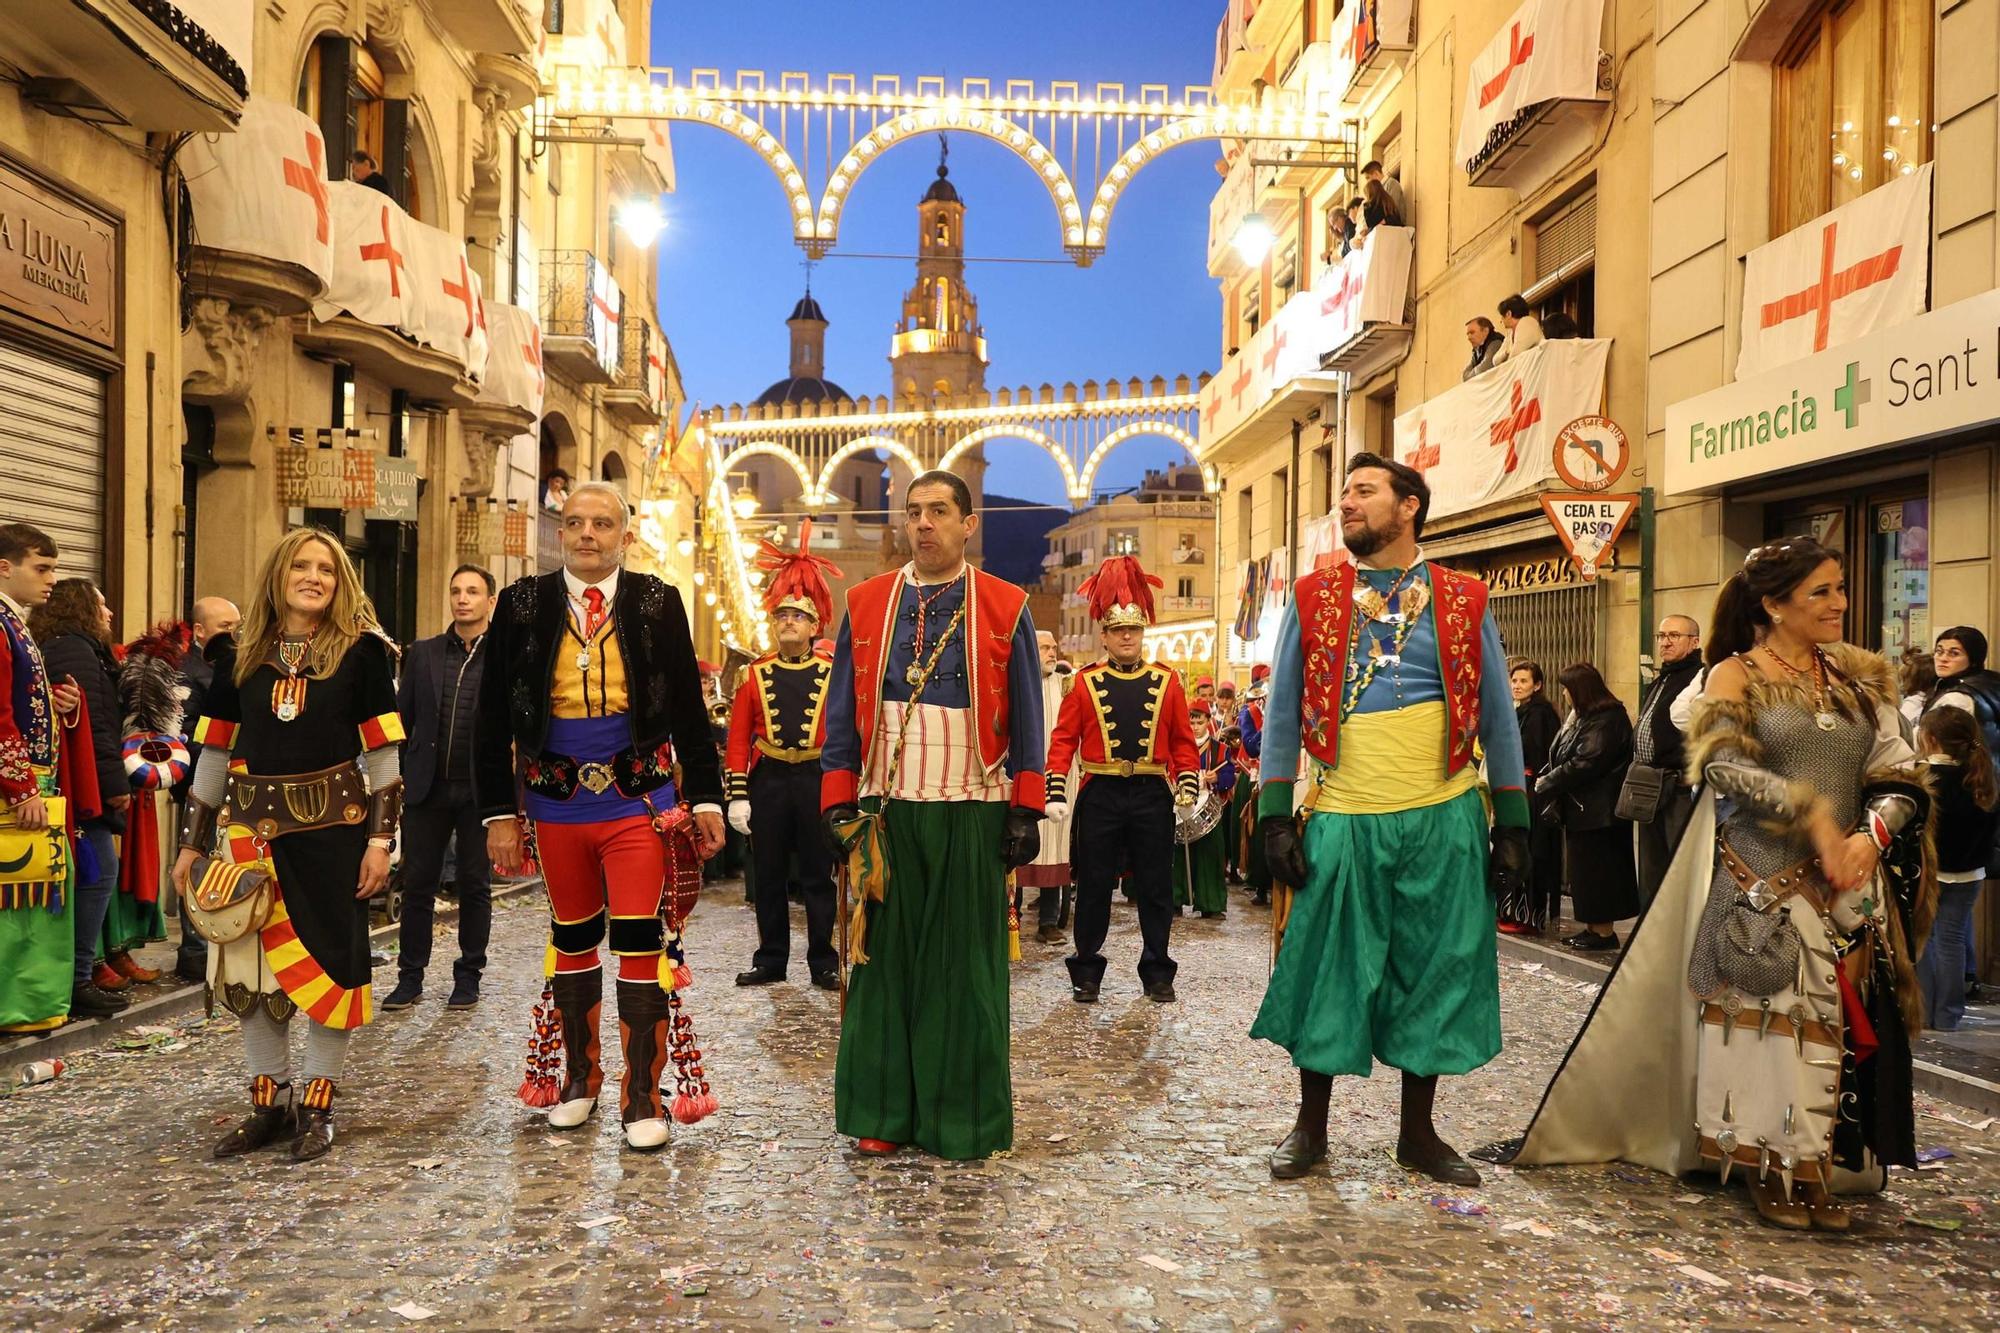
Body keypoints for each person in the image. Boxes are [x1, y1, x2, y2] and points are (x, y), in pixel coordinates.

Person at [1503, 537, 1931, 1233]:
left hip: (1851, 887)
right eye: (1822, 591)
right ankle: (1769, 1165)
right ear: (1774, 603)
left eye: (1841, 589)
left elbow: (1901, 772)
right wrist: (1811, 814)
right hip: (1761, 878)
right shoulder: (1732, 674)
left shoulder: (1863, 678)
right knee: (1769, 1031)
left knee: (1837, 1030)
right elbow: (1724, 766)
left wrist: (1867, 837)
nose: (1841, 603)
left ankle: (1823, 1163)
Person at [1253, 454, 1529, 1185]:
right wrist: (1276, 815)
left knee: (1435, 969)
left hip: (1443, 814)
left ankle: (1419, 1133)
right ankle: (1310, 1128)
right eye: (1344, 490)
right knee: (1328, 966)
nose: (1346, 502)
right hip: (1345, 810)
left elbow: (1499, 715)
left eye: (1363, 491)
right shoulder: (1314, 597)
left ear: (1409, 506)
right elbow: (1282, 712)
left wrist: (1515, 821)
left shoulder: (1466, 598)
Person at [477, 482, 725, 1152]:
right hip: (555, 804)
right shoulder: (521, 604)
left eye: (603, 524)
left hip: (638, 802)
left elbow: (688, 716)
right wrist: (500, 813)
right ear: (561, 530)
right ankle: (579, 1081)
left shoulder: (656, 601)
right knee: (572, 939)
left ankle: (642, 1095)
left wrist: (705, 797)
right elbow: (491, 714)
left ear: (625, 534)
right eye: (577, 522)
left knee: (642, 943)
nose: (588, 534)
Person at [821, 470, 1046, 1160]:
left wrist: (1026, 807)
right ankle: (883, 1113)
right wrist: (836, 802)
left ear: (967, 524)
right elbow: (840, 713)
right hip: (886, 807)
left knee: (963, 971)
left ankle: (963, 1121)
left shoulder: (1007, 605)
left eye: (939, 511)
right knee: (882, 963)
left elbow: (1030, 712)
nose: (924, 523)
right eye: (914, 511)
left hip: (971, 808)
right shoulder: (864, 602)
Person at [171, 528, 405, 1161]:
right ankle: (267, 1107)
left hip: (335, 837)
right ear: (278, 574)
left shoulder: (363, 654)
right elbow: (213, 755)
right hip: (249, 838)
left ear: (340, 582)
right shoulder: (239, 656)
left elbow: (384, 760)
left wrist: (381, 842)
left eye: (325, 569)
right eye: (301, 566)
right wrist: (191, 845)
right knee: (255, 977)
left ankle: (318, 1108)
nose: (313, 577)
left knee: (333, 968)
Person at [1043, 555, 1198, 1003]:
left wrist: (1186, 782)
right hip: (1102, 794)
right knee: (1093, 886)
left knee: (1155, 887)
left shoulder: (1167, 681)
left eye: (1134, 629)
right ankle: (1087, 970)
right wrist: (1055, 790)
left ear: (1142, 632)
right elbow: (1062, 742)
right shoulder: (1084, 684)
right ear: (1105, 636)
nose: (1127, 636)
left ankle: (1157, 971)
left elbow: (1183, 742)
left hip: (1150, 793)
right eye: (1118, 630)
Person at [727, 524, 841, 991]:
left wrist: (843, 790)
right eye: (781, 617)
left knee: (819, 877)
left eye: (797, 617)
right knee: (768, 877)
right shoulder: (753, 676)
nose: (788, 622)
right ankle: (771, 959)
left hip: (816, 778)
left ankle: (823, 962)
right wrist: (737, 795)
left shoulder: (834, 675)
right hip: (769, 779)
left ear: (815, 627)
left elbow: (844, 739)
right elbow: (737, 740)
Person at [382, 565, 498, 1013]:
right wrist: (397, 777)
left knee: (474, 883)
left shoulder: (503, 657)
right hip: (426, 787)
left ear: (490, 601)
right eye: (455, 591)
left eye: (472, 592)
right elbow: (401, 721)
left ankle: (468, 976)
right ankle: (409, 978)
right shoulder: (423, 653)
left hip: (479, 791)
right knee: (418, 884)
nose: (462, 599)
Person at [32, 580, 146, 1004]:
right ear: (81, 608)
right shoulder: (76, 650)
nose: (109, 613)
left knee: (95, 877)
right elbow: (95, 722)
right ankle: (77, 979)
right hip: (83, 792)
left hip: (83, 787)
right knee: (97, 877)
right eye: (101, 604)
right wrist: (115, 785)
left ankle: (79, 974)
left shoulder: (71, 647)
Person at [0, 523, 91, 1032]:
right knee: (22, 896)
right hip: (17, 787)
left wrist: (56, 708)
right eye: (43, 568)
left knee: (31, 895)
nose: (52, 579)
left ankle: (28, 1001)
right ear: (4, 567)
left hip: (26, 780)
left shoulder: (15, 624)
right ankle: (20, 1004)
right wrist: (22, 788)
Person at [1537, 663, 1638, 952]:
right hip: (1583, 810)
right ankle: (1594, 928)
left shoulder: (1607, 718)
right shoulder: (1583, 717)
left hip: (1599, 813)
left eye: (1568, 689)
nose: (1565, 695)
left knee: (1599, 872)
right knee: (1586, 874)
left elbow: (1587, 761)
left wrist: (1547, 782)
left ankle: (1604, 932)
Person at [172, 597, 240, 983]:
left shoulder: (237, 662)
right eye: (225, 627)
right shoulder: (188, 673)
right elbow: (187, 734)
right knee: (197, 863)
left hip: (236, 787)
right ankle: (195, 950)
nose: (233, 634)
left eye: (237, 626)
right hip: (203, 784)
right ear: (199, 631)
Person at [1916, 706, 1997, 1030]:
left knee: (1924, 939)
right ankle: (1948, 1015)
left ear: (1930, 739)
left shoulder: (1924, 778)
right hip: (1969, 873)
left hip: (1930, 872)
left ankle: (1922, 1012)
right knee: (1951, 940)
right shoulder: (1981, 776)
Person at [1623, 616, 1705, 909]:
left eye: (1674, 635)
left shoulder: (1700, 676)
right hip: (1650, 783)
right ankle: (1650, 930)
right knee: (1651, 867)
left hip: (1680, 786)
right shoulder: (1663, 677)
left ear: (1694, 642)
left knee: (1677, 865)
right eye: (1661, 635)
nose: (1665, 642)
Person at [1017, 630, 1076, 945]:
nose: (1052, 652)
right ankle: (1009, 916)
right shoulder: (1016, 683)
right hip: (1021, 778)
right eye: (1044, 647)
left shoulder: (1068, 687)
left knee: (1055, 847)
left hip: (1060, 780)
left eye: (1054, 647)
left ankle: (1048, 921)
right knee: (1015, 845)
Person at [1500, 659, 1562, 936]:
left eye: (1524, 681)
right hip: (1517, 786)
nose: (1517, 686)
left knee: (1531, 852)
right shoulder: (1519, 711)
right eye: (1514, 680)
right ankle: (1514, 911)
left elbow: (1537, 754)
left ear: (1537, 685)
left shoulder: (1540, 714)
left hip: (1531, 792)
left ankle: (1529, 915)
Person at [1172, 701, 1235, 920]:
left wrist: (1217, 778)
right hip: (1181, 806)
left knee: (1211, 855)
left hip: (1209, 808)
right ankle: (1174, 901)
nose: (1195, 727)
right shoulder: (1177, 747)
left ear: (1208, 721)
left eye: (1200, 722)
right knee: (1176, 856)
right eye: (1191, 722)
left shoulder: (1220, 749)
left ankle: (1212, 904)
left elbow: (1229, 775)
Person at [1237, 665, 1272, 905]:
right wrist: (1269, 722)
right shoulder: (1248, 712)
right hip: (1258, 774)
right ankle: (1260, 883)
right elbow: (1250, 746)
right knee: (1260, 831)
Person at [1490, 294, 1544, 365]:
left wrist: (1506, 356)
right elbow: (1495, 361)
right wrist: (1506, 352)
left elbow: (1515, 357)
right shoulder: (1510, 333)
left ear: (1509, 314)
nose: (1501, 321)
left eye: (1502, 317)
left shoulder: (1527, 323)